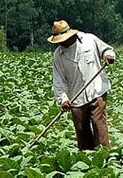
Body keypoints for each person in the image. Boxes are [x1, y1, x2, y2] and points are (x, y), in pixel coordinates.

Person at [47, 20, 116, 150]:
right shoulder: (58, 56)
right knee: (82, 132)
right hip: (76, 98)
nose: (60, 43)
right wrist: (63, 99)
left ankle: (105, 157)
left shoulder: (89, 40)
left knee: (98, 123)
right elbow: (58, 80)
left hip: (96, 91)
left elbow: (107, 50)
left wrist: (108, 56)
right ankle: (87, 159)